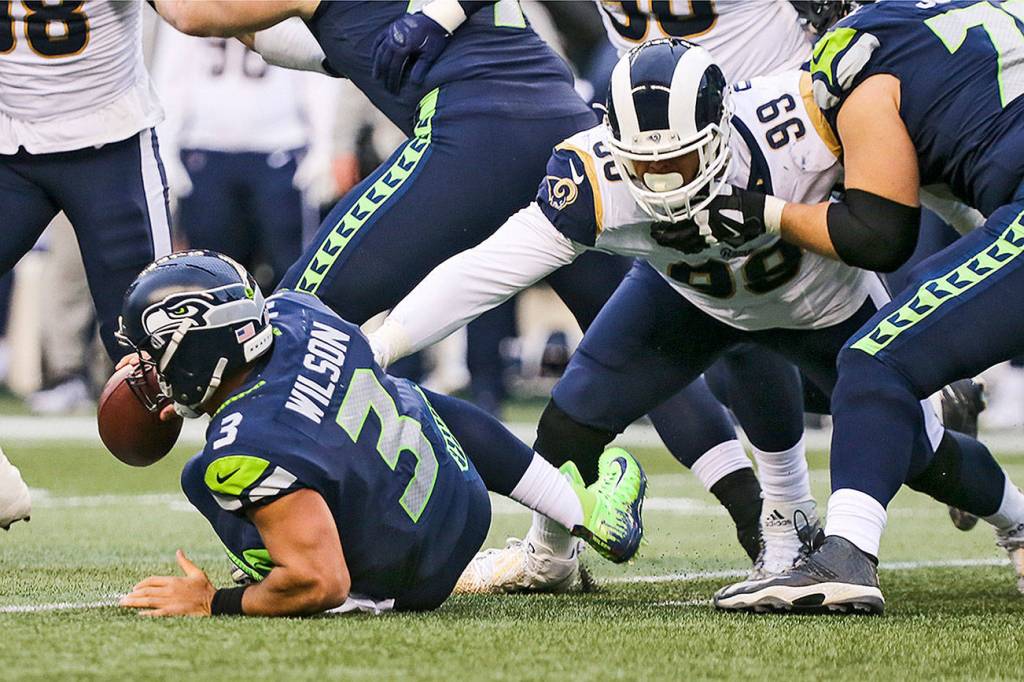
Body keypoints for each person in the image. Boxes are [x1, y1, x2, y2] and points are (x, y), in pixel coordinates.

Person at [370, 38, 1021, 601]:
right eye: (643, 166)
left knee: (918, 452)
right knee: (571, 421)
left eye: (676, 162)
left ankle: (1016, 522)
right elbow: (486, 269)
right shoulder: (592, 174)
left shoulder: (801, 124)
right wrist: (384, 343)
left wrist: (979, 236)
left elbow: (915, 182)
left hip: (822, 308)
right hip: (691, 300)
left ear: (719, 130)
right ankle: (550, 558)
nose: (661, 184)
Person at [154, 0, 775, 576]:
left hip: (472, 133)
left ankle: (292, 542)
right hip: (561, 129)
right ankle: (762, 526)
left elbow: (191, 14)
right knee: (640, 343)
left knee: (292, 320)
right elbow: (302, 42)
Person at [689, 0, 1024, 612]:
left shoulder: (859, 47)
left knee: (876, 358)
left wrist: (768, 212)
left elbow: (881, 233)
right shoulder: (981, 16)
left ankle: (845, 554)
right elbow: (969, 192)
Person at [114, 251, 645, 617]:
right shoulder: (295, 311)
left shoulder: (241, 446)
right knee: (406, 396)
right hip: (458, 495)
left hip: (413, 574)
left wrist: (214, 603)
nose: (146, 368)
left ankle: (361, 597)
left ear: (196, 348)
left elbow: (323, 582)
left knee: (204, 476)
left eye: (152, 353)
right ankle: (577, 506)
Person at [0, 0, 173, 529]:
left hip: (109, 141)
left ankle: (275, 505)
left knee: (166, 365)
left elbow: (192, 15)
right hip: (6, 140)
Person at [151, 27, 337, 291]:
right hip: (205, 149)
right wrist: (165, 148)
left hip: (281, 148)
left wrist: (324, 145)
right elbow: (173, 70)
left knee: (292, 274)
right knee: (212, 280)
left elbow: (315, 68)